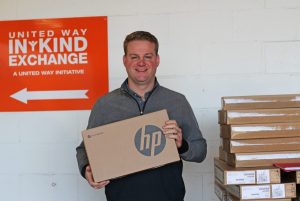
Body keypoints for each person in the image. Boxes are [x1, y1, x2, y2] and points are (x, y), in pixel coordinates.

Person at [76, 31, 207, 201]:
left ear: (157, 60)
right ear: (125, 61)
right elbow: (84, 149)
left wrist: (181, 145)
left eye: (147, 56)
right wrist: (87, 168)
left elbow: (201, 150)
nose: (141, 63)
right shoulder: (105, 105)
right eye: (134, 57)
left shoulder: (177, 101)